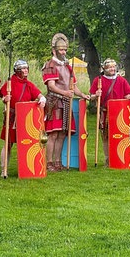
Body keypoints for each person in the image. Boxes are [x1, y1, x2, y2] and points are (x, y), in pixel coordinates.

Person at [41, 33, 90, 172]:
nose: (63, 52)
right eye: (61, 50)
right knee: (53, 134)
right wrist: (65, 93)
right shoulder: (50, 65)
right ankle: (49, 163)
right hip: (55, 101)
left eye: (65, 50)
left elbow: (72, 86)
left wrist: (83, 95)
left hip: (66, 102)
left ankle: (58, 162)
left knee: (63, 133)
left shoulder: (68, 66)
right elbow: (51, 85)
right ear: (54, 50)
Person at [0, 59, 46, 178]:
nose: (26, 71)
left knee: (26, 144)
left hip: (25, 119)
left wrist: (42, 99)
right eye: (23, 68)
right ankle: (4, 170)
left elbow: (39, 95)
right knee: (8, 144)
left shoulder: (28, 84)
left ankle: (26, 168)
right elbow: (3, 96)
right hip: (12, 117)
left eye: (26, 68)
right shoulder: (10, 83)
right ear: (17, 70)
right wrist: (5, 99)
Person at [89, 58, 130, 167]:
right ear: (104, 68)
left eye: (113, 66)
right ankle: (108, 159)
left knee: (119, 136)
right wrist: (96, 95)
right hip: (105, 113)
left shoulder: (121, 80)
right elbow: (91, 97)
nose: (112, 69)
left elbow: (126, 94)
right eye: (110, 67)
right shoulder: (98, 80)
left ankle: (119, 157)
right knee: (105, 136)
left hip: (119, 113)